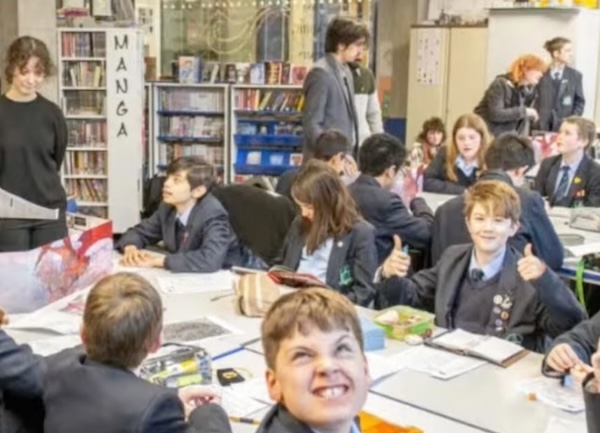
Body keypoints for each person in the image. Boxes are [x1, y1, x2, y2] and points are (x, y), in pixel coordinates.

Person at [378, 180, 585, 352]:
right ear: (468, 224)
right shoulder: (453, 258)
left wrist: (546, 281)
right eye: (479, 219)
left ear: (513, 228)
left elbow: (571, 323)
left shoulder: (529, 277)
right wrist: (390, 273)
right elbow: (411, 295)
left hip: (502, 375)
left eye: (498, 220)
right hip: (448, 361)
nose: (487, 228)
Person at [43, 272, 232, 433]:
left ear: (83, 334)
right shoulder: (154, 409)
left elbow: (115, 393)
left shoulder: (57, 367)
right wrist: (209, 412)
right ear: (156, 342)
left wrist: (175, 395)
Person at [431, 132, 563, 271]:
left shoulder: (445, 210)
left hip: (453, 288)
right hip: (510, 288)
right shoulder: (528, 201)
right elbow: (553, 259)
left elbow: (436, 265)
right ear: (521, 170)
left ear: (486, 164)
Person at [257, 287, 370, 433]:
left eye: (341, 349)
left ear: (365, 369)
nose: (328, 366)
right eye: (302, 355)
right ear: (274, 384)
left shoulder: (348, 422)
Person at [277, 160, 377, 307]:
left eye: (309, 207)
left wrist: (327, 306)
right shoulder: (300, 223)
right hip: (292, 301)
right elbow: (282, 263)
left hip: (329, 309)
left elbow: (363, 292)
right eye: (300, 206)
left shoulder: (360, 233)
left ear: (327, 203)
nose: (304, 213)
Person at [116, 156, 242, 273]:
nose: (166, 184)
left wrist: (158, 262)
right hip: (186, 275)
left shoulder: (213, 213)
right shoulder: (167, 207)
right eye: (168, 177)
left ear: (198, 191)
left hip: (227, 275)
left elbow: (210, 259)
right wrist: (130, 248)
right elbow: (140, 232)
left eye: (176, 180)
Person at [0, 36, 68, 251]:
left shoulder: (52, 113)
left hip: (49, 211)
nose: (31, 79)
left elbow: (56, 160)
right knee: (13, 283)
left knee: (51, 281)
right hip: (8, 214)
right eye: (24, 71)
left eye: (37, 73)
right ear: (11, 69)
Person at [349, 133, 433, 264]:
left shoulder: (345, 191)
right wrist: (416, 200)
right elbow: (426, 233)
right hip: (382, 273)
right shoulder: (387, 202)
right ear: (391, 171)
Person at [303, 16, 369, 159]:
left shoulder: (346, 70)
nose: (361, 51)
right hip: (325, 162)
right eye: (357, 45)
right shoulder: (320, 73)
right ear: (340, 45)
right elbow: (312, 124)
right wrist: (330, 155)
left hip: (344, 158)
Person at [534, 116, 600, 207]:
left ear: (583, 142)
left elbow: (592, 207)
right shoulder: (548, 164)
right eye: (560, 132)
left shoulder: (595, 172)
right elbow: (536, 196)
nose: (560, 137)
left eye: (567, 133)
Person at [474, 54, 547, 137]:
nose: (541, 74)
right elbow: (496, 114)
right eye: (538, 70)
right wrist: (524, 111)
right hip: (489, 135)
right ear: (526, 70)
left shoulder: (528, 91)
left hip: (508, 138)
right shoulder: (500, 84)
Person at [276, 130, 357, 202]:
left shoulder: (286, 178)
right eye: (344, 161)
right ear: (336, 158)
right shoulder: (332, 189)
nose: (343, 168)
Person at [423, 113, 489, 195]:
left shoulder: (491, 158)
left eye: (472, 137)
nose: (467, 143)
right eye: (461, 138)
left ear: (482, 139)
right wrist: (462, 191)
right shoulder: (445, 153)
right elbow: (426, 181)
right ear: (455, 139)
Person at [537, 37, 585, 132]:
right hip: (540, 126)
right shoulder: (540, 74)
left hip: (564, 127)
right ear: (556, 54)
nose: (571, 54)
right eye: (567, 50)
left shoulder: (575, 76)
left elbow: (579, 102)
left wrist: (571, 121)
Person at [348, 60, 383, 147]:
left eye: (363, 47)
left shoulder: (366, 75)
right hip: (339, 145)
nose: (359, 52)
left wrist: (380, 144)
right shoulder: (329, 75)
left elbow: (374, 114)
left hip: (362, 144)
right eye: (357, 46)